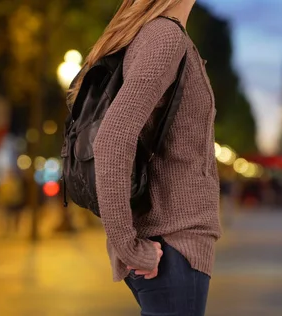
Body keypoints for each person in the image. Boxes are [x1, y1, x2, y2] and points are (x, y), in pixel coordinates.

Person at [69, 0, 221, 314]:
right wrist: (127, 246)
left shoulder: (165, 35)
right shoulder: (164, 36)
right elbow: (112, 139)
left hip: (170, 245)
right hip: (172, 246)